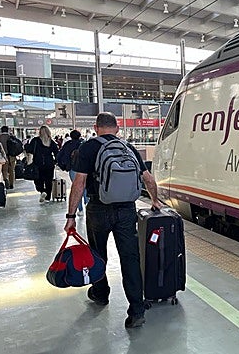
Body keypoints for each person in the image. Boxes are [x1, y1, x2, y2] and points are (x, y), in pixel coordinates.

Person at [63, 112, 161, 329]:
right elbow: (148, 179)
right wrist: (155, 200)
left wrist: (71, 217)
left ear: (96, 127)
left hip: (98, 209)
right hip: (126, 210)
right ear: (117, 128)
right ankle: (136, 309)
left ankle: (101, 293)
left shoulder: (88, 147)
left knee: (98, 254)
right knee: (130, 258)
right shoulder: (128, 148)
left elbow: (79, 183)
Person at [56, 130, 88, 215]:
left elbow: (59, 156)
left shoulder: (67, 144)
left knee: (76, 187)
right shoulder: (84, 144)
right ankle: (87, 203)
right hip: (84, 169)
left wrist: (63, 166)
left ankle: (80, 209)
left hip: (73, 169)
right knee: (84, 186)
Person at [26, 126, 59, 202]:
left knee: (38, 180)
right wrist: (55, 162)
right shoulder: (52, 142)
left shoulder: (35, 140)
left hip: (38, 163)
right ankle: (47, 198)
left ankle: (42, 191)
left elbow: (30, 150)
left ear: (40, 132)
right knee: (48, 181)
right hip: (49, 164)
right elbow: (57, 153)